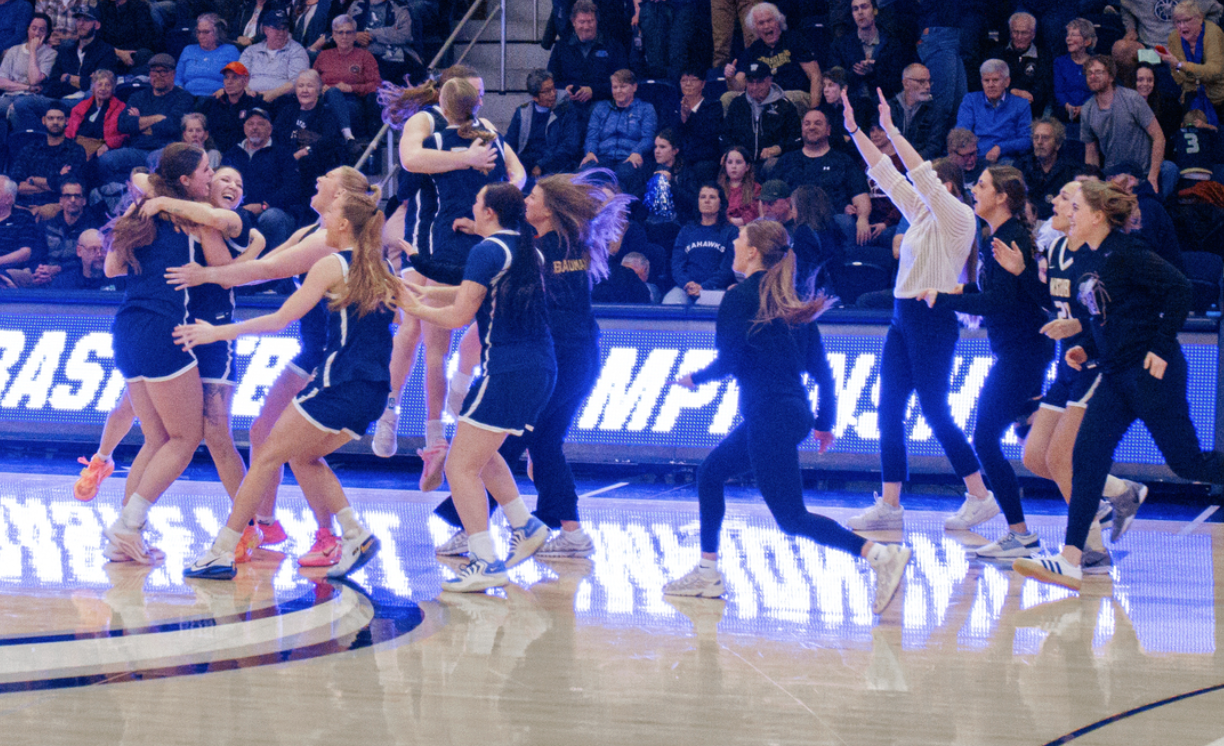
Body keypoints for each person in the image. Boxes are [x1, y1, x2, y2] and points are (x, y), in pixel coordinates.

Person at [663, 219, 912, 614]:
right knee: (710, 473)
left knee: (793, 518)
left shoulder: (739, 298)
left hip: (770, 417)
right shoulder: (790, 300)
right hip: (790, 413)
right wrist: (824, 422)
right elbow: (822, 372)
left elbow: (730, 361)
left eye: (739, 240)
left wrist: (696, 378)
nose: (733, 246)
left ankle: (878, 555)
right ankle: (707, 570)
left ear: (753, 252)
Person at [1013, 179, 1224, 591]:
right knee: (1086, 457)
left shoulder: (1128, 253)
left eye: (1076, 209)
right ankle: (1071, 559)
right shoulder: (1088, 260)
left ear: (1097, 215)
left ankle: (1074, 555)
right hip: (1113, 373)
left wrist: (1161, 348)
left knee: (1187, 464)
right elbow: (1108, 317)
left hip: (1149, 374)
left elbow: (1181, 289)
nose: (1069, 215)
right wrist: (1085, 346)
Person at [177, 184, 395, 580]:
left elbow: (280, 319)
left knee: (265, 456)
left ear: (344, 224)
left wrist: (217, 333)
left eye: (331, 215)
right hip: (374, 388)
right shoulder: (385, 267)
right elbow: (402, 317)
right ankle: (353, 533)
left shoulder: (332, 264)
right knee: (303, 456)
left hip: (337, 381)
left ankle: (222, 551)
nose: (324, 220)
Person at [430, 171, 632, 558]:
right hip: (583, 355)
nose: (526, 202)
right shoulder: (574, 242)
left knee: (500, 441)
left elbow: (489, 273)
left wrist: (469, 239)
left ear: (550, 210)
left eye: (534, 197)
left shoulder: (540, 251)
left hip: (558, 357)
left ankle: (474, 528)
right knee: (544, 442)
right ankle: (570, 533)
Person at [841, 89, 996, 533]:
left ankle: (979, 495)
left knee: (934, 411)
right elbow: (887, 175)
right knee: (888, 409)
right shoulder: (923, 214)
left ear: (946, 187)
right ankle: (890, 504)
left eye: (929, 178)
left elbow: (912, 173)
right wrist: (854, 130)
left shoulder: (958, 217)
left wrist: (892, 129)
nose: (919, 182)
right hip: (902, 317)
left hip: (932, 319)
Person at [397, 182, 557, 592]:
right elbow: (477, 293)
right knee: (482, 456)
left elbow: (456, 316)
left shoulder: (487, 251)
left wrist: (410, 305)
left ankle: (486, 560)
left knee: (459, 466)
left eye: (477, 200)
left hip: (508, 368)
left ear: (488, 213)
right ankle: (525, 524)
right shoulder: (527, 249)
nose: (471, 203)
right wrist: (427, 290)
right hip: (536, 367)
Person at [98, 143, 230, 564]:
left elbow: (110, 269)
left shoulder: (140, 212)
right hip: (163, 329)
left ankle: (123, 537)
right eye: (207, 169)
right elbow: (224, 273)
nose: (212, 175)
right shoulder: (192, 219)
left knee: (156, 439)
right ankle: (127, 525)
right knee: (186, 438)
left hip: (126, 328)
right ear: (187, 180)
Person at [917, 166, 1053, 558]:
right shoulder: (998, 235)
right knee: (1035, 442)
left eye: (982, 186)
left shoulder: (1009, 240)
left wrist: (944, 299)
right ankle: (1105, 496)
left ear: (1002, 198)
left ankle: (1021, 535)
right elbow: (993, 290)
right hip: (1020, 351)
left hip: (1022, 354)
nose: (974, 190)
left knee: (985, 439)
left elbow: (998, 302)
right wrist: (959, 288)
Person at [1009, 180, 1143, 574]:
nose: (1056, 201)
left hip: (1094, 364)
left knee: (1062, 457)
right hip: (1064, 365)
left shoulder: (1098, 256)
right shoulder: (1055, 248)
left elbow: (1105, 315)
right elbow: (1054, 304)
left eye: (1067, 198)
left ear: (1085, 210)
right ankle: (1121, 491)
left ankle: (1091, 549)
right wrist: (1021, 275)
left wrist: (1081, 332)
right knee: (1035, 457)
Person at [770, 107, 875, 249]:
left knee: (846, 222)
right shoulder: (787, 160)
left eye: (817, 123)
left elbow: (860, 196)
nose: (811, 127)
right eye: (807, 124)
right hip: (794, 221)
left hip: (833, 223)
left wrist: (863, 219)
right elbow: (769, 196)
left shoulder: (843, 161)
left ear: (828, 130)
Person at [102, 52, 194, 185]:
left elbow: (172, 126)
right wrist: (157, 118)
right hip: (137, 150)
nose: (158, 75)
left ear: (173, 74)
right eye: (154, 71)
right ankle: (123, 195)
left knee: (154, 158)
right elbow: (124, 124)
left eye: (163, 72)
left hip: (165, 149)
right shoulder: (138, 97)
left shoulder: (183, 97)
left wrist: (139, 121)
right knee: (106, 160)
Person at [1081, 54, 1167, 193]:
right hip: (1112, 179)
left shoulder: (1133, 99)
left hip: (1141, 177)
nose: (1092, 76)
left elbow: (1159, 137)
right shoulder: (1087, 109)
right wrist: (1093, 184)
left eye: (1098, 72)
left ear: (1111, 76)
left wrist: (1153, 177)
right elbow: (1091, 152)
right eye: (1089, 73)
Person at [221, 106, 299, 252]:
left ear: (270, 129)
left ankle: (277, 271)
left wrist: (264, 205)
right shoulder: (232, 154)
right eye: (250, 124)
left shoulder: (282, 153)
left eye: (260, 124)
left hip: (274, 211)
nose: (254, 128)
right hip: (239, 210)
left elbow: (292, 188)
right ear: (244, 128)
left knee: (271, 218)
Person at [725, 3, 821, 110]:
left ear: (778, 21)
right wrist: (731, 78)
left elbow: (815, 75)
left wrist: (815, 109)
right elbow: (739, 88)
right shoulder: (753, 50)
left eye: (769, 20)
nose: (766, 26)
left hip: (793, 95)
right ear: (755, 27)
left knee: (781, 99)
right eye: (761, 23)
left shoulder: (795, 40)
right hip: (762, 98)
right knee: (727, 98)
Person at [580, 68, 657, 196]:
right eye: (615, 87)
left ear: (634, 87)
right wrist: (590, 151)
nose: (618, 91)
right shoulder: (600, 108)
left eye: (623, 87)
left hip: (628, 157)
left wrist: (638, 152)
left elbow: (648, 138)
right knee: (587, 172)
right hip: (603, 156)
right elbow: (591, 136)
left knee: (625, 176)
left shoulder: (646, 109)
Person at [546, 0, 628, 119]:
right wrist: (565, 90)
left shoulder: (613, 46)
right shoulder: (561, 47)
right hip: (569, 104)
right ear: (573, 22)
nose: (586, 26)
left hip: (603, 104)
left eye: (590, 21)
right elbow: (551, 79)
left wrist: (593, 91)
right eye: (582, 22)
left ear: (597, 21)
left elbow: (623, 82)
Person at [313, 14, 380, 149]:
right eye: (340, 32)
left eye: (349, 32)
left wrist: (351, 88)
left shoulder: (365, 56)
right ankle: (348, 136)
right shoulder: (323, 55)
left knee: (337, 107)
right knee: (332, 93)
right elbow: (311, 79)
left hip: (353, 100)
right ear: (333, 34)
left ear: (355, 35)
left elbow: (377, 85)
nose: (344, 36)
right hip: (324, 100)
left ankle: (343, 140)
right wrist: (320, 87)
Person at [274, 70, 341, 204]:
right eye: (300, 86)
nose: (304, 90)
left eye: (309, 86)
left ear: (318, 90)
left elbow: (329, 140)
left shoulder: (326, 113)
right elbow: (278, 137)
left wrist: (305, 151)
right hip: (288, 164)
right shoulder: (287, 112)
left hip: (315, 168)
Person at [664, 183, 736, 305]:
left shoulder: (731, 231)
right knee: (670, 304)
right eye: (703, 197)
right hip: (685, 288)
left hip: (715, 289)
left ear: (721, 203)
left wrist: (704, 287)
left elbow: (727, 268)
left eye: (712, 197)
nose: (707, 201)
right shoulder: (687, 230)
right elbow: (677, 264)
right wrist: (686, 284)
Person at [829, 0, 908, 108]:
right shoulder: (841, 45)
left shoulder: (891, 43)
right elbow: (836, 78)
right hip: (852, 104)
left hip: (887, 103)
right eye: (855, 9)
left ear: (875, 11)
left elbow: (897, 81)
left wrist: (874, 71)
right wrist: (856, 73)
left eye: (864, 7)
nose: (860, 12)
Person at [505, 68, 582, 180]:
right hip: (525, 163)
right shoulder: (522, 113)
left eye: (553, 88)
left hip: (554, 164)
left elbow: (569, 145)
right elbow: (510, 142)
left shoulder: (566, 110)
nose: (553, 94)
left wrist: (541, 165)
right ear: (535, 97)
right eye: (547, 91)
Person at [722, 61, 801, 169]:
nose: (754, 87)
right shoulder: (737, 104)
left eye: (759, 82)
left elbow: (796, 138)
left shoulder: (785, 106)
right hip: (741, 163)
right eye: (750, 82)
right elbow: (725, 135)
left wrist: (779, 148)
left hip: (772, 163)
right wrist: (729, 151)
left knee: (771, 166)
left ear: (769, 81)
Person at [954, 59, 1034, 164]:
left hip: (1005, 158)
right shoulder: (971, 100)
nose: (990, 85)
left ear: (1007, 82)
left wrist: (1000, 148)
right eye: (986, 80)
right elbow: (962, 132)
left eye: (995, 80)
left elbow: (1027, 140)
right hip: (974, 156)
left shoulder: (1021, 104)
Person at [9, 102, 86, 207]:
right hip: (24, 205)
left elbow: (69, 187)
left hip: (56, 206)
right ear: (43, 121)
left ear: (67, 121)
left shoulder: (75, 150)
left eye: (59, 118)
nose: (55, 122)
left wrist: (33, 180)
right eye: (51, 118)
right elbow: (15, 185)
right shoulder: (31, 149)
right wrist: (52, 184)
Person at [1160, 0, 1224, 123]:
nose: (1182, 26)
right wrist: (1182, 68)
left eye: (1187, 20)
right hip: (1191, 96)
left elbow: (1215, 72)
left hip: (1219, 97)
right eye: (1178, 22)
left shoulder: (1213, 33)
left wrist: (1181, 65)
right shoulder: (1174, 38)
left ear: (1199, 19)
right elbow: (1177, 75)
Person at [238, 8, 310, 107]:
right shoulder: (251, 51)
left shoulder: (297, 50)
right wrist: (246, 90)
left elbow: (297, 81)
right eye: (276, 28)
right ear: (265, 29)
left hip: (281, 101)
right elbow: (240, 77)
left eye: (284, 28)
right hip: (250, 99)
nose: (281, 32)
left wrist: (273, 94)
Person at [1016, 117, 1085, 220]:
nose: (1039, 142)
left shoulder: (1072, 170)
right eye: (1036, 138)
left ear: (1058, 144)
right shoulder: (1021, 166)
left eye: (1045, 138)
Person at [988, 11, 1052, 118]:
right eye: (1015, 32)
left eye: (1024, 33)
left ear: (1033, 34)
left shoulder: (1043, 56)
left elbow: (1044, 87)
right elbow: (990, 83)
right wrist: (1012, 92)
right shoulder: (997, 54)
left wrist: (1029, 96)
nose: (1019, 37)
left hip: (1033, 112)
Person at [196, 61, 259, 153]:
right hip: (214, 151)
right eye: (226, 78)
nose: (229, 82)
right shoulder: (212, 103)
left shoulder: (253, 105)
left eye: (235, 77)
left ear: (245, 81)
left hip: (243, 152)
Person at [65, 68, 126, 161]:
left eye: (107, 85)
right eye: (99, 84)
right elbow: (70, 131)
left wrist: (108, 145)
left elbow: (124, 135)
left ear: (113, 88)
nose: (103, 88)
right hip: (78, 144)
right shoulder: (81, 106)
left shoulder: (121, 108)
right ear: (93, 87)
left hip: (100, 146)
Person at [887, 63, 944, 161]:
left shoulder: (936, 110)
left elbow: (934, 147)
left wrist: (910, 161)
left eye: (929, 81)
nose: (927, 86)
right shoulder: (889, 107)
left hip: (921, 165)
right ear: (906, 83)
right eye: (921, 82)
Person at [175, 12, 239, 98]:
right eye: (199, 32)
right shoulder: (188, 50)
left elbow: (239, 79)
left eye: (206, 32)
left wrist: (225, 90)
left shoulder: (230, 51)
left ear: (217, 33)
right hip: (188, 98)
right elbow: (177, 79)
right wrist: (179, 92)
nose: (201, 36)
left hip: (218, 98)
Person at [676, 67, 723, 181]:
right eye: (684, 80)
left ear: (703, 84)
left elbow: (710, 136)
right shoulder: (673, 108)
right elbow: (672, 136)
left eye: (693, 80)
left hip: (705, 158)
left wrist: (689, 116)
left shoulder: (714, 107)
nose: (688, 84)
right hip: (679, 158)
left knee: (700, 170)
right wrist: (683, 117)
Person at [641, 128, 697, 224]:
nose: (657, 151)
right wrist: (651, 184)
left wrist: (671, 184)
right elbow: (636, 198)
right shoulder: (649, 169)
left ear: (675, 151)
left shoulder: (686, 171)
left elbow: (693, 202)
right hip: (649, 222)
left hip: (678, 223)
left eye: (662, 147)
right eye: (656, 147)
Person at [1054, 18, 1095, 138]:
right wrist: (1067, 105)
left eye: (1074, 35)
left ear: (1087, 41)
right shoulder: (1059, 62)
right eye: (1068, 35)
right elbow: (1059, 91)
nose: (1068, 39)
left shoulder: (1096, 63)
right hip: (1065, 111)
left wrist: (1085, 108)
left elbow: (1098, 91)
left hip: (1091, 112)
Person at [716, 145, 759, 226]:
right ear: (725, 165)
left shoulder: (756, 189)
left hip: (748, 229)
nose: (734, 166)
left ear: (747, 167)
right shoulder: (718, 189)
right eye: (730, 162)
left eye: (738, 162)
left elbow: (754, 215)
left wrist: (730, 221)